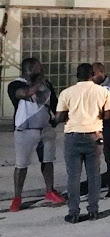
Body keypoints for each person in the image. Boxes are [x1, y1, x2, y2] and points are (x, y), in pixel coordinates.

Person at [56, 63, 110, 223]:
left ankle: (73, 212)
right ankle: (93, 211)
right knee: (94, 175)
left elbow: (59, 117)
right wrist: (96, 115)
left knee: (73, 176)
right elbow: (109, 115)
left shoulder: (66, 93)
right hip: (94, 136)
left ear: (77, 75)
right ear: (93, 74)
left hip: (73, 136)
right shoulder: (102, 91)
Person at [8, 58, 65, 212]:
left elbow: (55, 105)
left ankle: (50, 191)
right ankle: (17, 197)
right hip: (24, 131)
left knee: (47, 161)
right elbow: (26, 93)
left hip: (45, 129)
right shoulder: (16, 84)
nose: (42, 70)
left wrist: (58, 119)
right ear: (30, 69)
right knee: (21, 164)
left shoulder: (46, 85)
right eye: (39, 68)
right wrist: (39, 82)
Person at [92, 62, 110, 197]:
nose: (92, 77)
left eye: (94, 73)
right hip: (93, 123)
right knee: (92, 154)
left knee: (108, 153)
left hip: (108, 123)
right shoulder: (91, 86)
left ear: (101, 72)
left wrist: (103, 107)